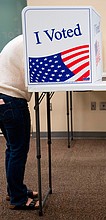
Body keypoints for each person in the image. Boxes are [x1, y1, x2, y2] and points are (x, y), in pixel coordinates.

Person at [0, 35, 39, 210]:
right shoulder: (32, 43)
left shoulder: (23, 40)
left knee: (12, 148)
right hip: (12, 100)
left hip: (3, 99)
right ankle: (18, 199)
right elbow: (35, 73)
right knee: (18, 150)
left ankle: (15, 190)